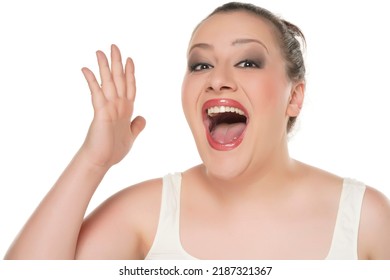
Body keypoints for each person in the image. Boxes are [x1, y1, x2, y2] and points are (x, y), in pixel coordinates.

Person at [4, 2, 390, 260]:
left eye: (248, 62)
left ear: (295, 96)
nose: (217, 80)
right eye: (201, 65)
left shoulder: (365, 219)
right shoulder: (146, 214)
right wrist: (93, 161)